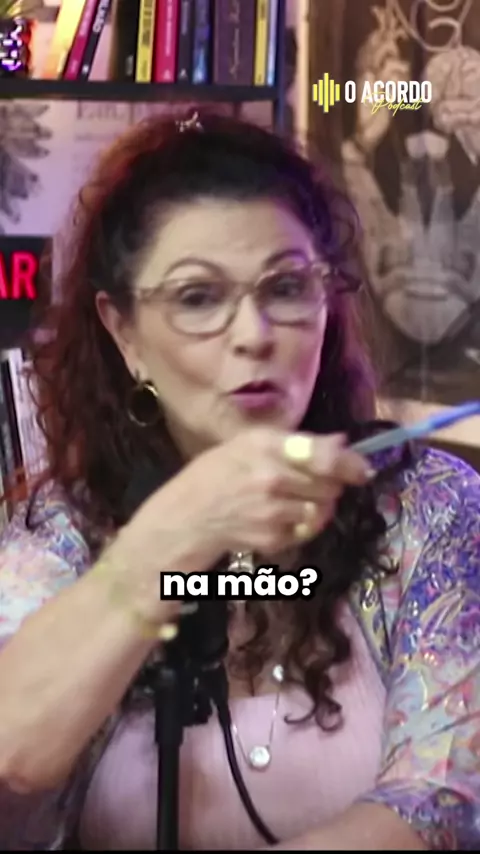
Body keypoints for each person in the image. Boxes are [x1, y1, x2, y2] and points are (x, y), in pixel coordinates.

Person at [0, 108, 478, 852]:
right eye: (198, 298)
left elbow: (441, 802)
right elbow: (14, 755)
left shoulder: (429, 507)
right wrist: (182, 530)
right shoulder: (64, 528)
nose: (255, 335)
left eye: (286, 288)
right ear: (124, 333)